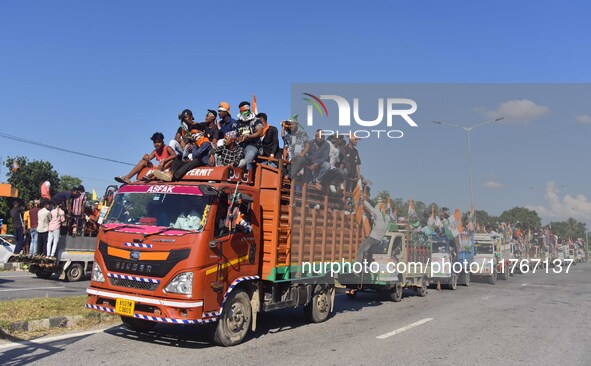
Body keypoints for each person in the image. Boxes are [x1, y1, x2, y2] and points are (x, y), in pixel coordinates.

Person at [356, 190, 390, 263]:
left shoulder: (378, 214)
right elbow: (379, 223)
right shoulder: (387, 217)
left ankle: (357, 268)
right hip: (379, 240)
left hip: (373, 238)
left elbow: (370, 207)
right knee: (370, 252)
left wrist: (362, 199)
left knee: (361, 251)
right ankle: (368, 265)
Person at [235, 101, 263, 171]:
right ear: (240, 110)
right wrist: (238, 138)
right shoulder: (236, 123)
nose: (246, 112)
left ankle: (247, 180)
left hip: (253, 145)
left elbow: (259, 132)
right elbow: (234, 134)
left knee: (247, 160)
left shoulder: (255, 120)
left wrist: (247, 136)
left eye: (248, 110)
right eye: (244, 110)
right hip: (240, 146)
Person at [282, 115, 310, 180]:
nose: (291, 126)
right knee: (281, 163)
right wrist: (284, 159)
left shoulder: (303, 133)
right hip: (290, 159)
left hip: (300, 158)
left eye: (292, 124)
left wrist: (302, 154)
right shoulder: (287, 136)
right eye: (290, 124)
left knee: (300, 160)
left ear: (297, 124)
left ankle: (289, 176)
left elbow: (307, 146)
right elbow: (285, 148)